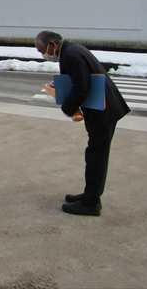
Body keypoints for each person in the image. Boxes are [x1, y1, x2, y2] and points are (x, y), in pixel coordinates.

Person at [35, 31, 130, 217]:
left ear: (53, 44)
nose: (42, 54)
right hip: (101, 106)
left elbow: (82, 87)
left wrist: (67, 107)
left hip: (103, 110)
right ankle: (90, 194)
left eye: (41, 50)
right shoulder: (71, 49)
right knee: (94, 154)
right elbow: (80, 79)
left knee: (96, 156)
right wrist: (61, 85)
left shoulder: (70, 54)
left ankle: (91, 203)